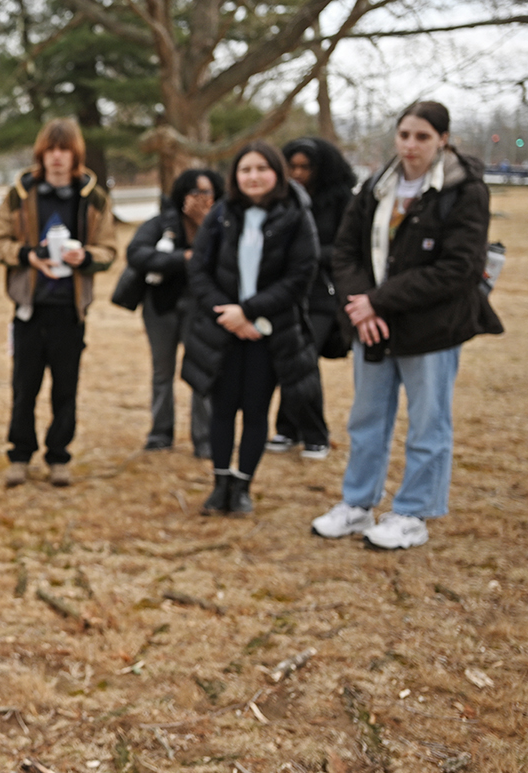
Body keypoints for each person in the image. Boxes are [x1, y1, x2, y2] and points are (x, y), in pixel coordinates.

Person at [312, 102, 502, 549]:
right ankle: (358, 505)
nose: (410, 145)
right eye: (404, 135)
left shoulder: (464, 189)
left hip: (431, 329)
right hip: (372, 327)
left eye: (422, 136)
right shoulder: (377, 185)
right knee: (367, 419)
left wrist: (377, 301)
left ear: (443, 139)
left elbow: (459, 267)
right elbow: (345, 251)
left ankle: (413, 513)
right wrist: (362, 305)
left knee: (427, 425)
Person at [181, 142, 320, 516]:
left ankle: (243, 486)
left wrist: (249, 311)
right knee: (223, 409)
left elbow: (300, 275)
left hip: (269, 331)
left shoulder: (296, 214)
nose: (253, 176)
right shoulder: (222, 213)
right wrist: (226, 313)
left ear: (277, 172)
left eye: (262, 168)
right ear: (235, 176)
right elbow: (199, 270)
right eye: (245, 170)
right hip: (224, 328)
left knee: (256, 411)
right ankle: (220, 483)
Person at [0, 118, 117, 488]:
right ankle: (20, 456)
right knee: (24, 387)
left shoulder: (92, 198)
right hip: (29, 308)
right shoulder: (20, 195)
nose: (57, 158)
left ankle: (59, 457)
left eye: (65, 150)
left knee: (66, 389)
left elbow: (109, 249)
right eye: (51, 150)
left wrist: (86, 257)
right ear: (41, 153)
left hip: (70, 310)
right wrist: (27, 255)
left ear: (76, 155)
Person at [264, 136, 357, 459]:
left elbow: (348, 248)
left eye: (305, 167)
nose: (298, 173)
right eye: (293, 166)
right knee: (291, 362)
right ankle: (289, 430)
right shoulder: (281, 198)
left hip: (322, 291)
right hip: (288, 290)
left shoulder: (341, 200)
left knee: (303, 359)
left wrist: (309, 254)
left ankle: (314, 435)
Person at [125, 168, 225, 456]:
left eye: (207, 192)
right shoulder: (161, 224)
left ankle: (204, 438)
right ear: (181, 194)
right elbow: (137, 253)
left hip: (201, 308)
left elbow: (227, 259)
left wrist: (205, 225)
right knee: (162, 372)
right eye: (194, 192)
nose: (201, 199)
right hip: (162, 307)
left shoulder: (221, 224)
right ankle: (160, 433)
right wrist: (182, 257)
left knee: (202, 371)